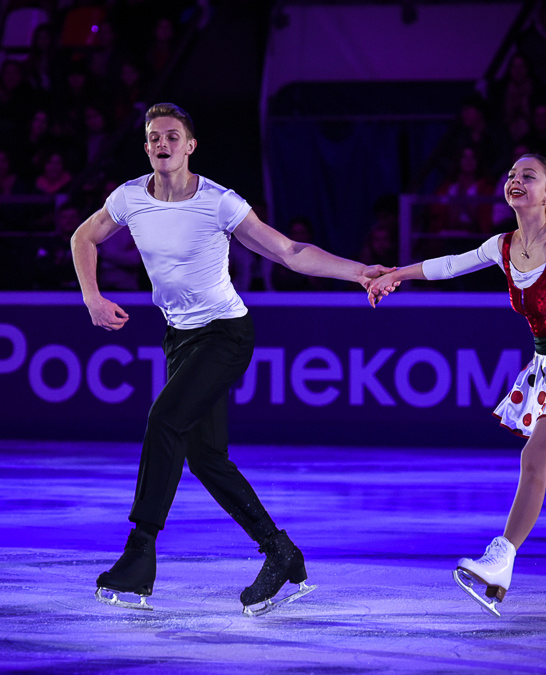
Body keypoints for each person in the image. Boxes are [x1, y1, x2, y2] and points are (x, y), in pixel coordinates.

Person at [70, 103, 393, 614]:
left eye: (172, 136)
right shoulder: (130, 197)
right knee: (206, 458)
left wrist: (359, 272)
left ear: (191, 145)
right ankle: (280, 552)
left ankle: (139, 554)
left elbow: (289, 251)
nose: (162, 144)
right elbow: (83, 236)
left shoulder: (218, 202)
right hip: (179, 339)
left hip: (225, 334)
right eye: (154, 137)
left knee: (163, 421)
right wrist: (92, 296)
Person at [367, 154, 546, 630]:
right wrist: (396, 273)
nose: (515, 180)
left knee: (533, 461)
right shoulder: (502, 245)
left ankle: (500, 563)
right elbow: (448, 265)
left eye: (529, 176)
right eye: (510, 175)